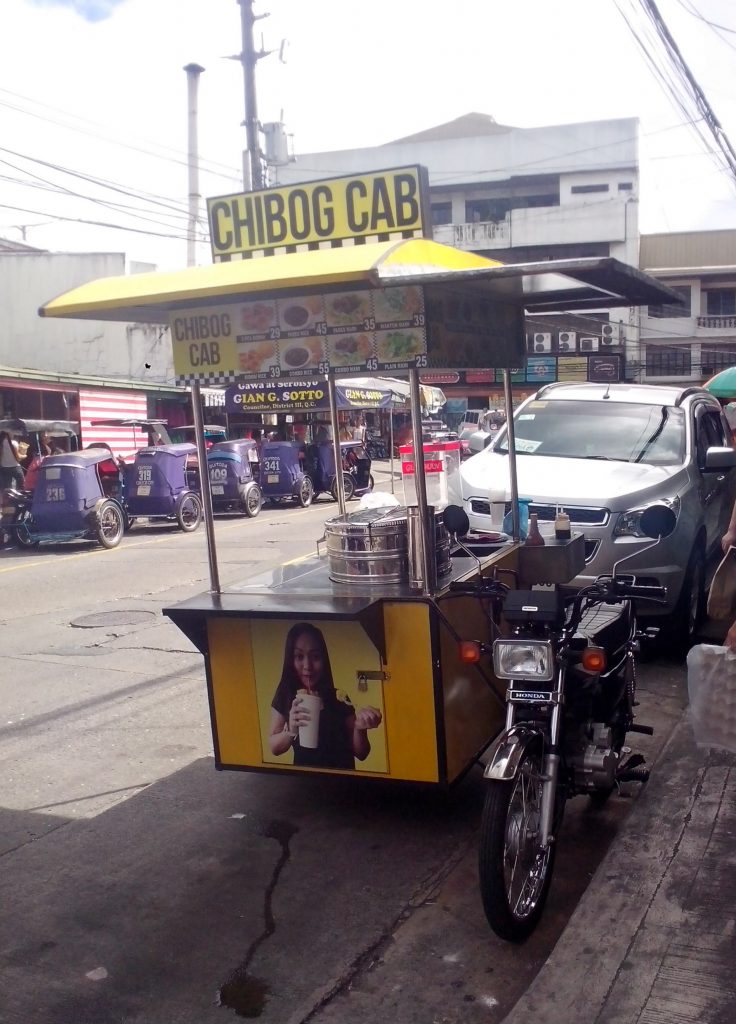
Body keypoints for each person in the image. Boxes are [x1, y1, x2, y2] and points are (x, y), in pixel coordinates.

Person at [268, 621, 382, 769]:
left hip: (344, 781)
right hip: (306, 781)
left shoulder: (339, 698)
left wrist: (360, 728)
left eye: (315, 656)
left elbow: (361, 753)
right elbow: (274, 748)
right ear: (291, 660)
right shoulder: (286, 694)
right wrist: (291, 730)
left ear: (324, 659)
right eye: (299, 656)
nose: (307, 666)